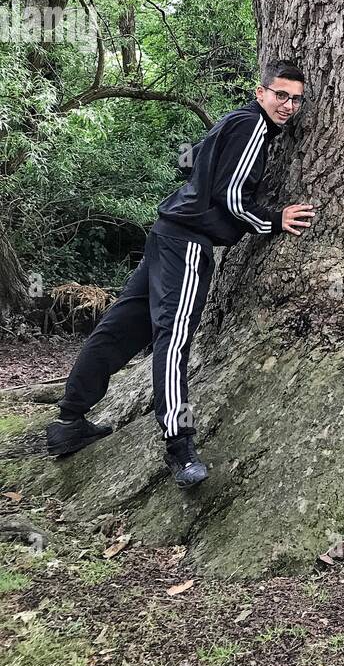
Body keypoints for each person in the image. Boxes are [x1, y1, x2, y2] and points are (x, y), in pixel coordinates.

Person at [45, 60, 315, 486]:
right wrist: (273, 219)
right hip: (188, 243)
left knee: (118, 329)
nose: (288, 105)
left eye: (296, 99)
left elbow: (187, 163)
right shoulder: (253, 128)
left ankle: (68, 421)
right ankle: (180, 447)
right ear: (261, 92)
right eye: (281, 94)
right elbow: (231, 197)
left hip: (165, 233)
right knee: (173, 341)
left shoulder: (233, 121)